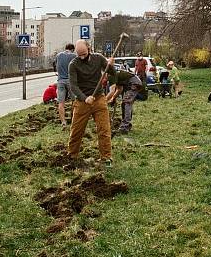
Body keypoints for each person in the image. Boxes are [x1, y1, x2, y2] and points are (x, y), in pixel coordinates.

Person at [67, 40, 117, 168]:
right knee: (76, 131)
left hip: (99, 99)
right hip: (82, 102)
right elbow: (73, 86)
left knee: (104, 129)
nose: (82, 57)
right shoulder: (73, 64)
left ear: (89, 48)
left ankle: (106, 158)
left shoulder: (98, 58)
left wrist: (111, 65)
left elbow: (112, 73)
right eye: (79, 55)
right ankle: (72, 156)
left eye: (84, 54)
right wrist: (84, 98)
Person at [107, 68, 146, 134]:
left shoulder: (111, 75)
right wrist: (113, 98)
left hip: (134, 83)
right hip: (135, 82)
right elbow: (119, 89)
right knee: (125, 104)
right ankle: (127, 125)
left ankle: (124, 127)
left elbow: (112, 91)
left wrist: (104, 101)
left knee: (126, 103)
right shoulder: (115, 75)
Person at [54, 43, 77, 130]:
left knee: (61, 103)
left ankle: (63, 122)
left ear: (65, 48)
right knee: (74, 101)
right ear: (73, 49)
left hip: (60, 81)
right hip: (70, 81)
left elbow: (55, 65)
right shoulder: (74, 56)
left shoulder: (59, 55)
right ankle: (73, 119)